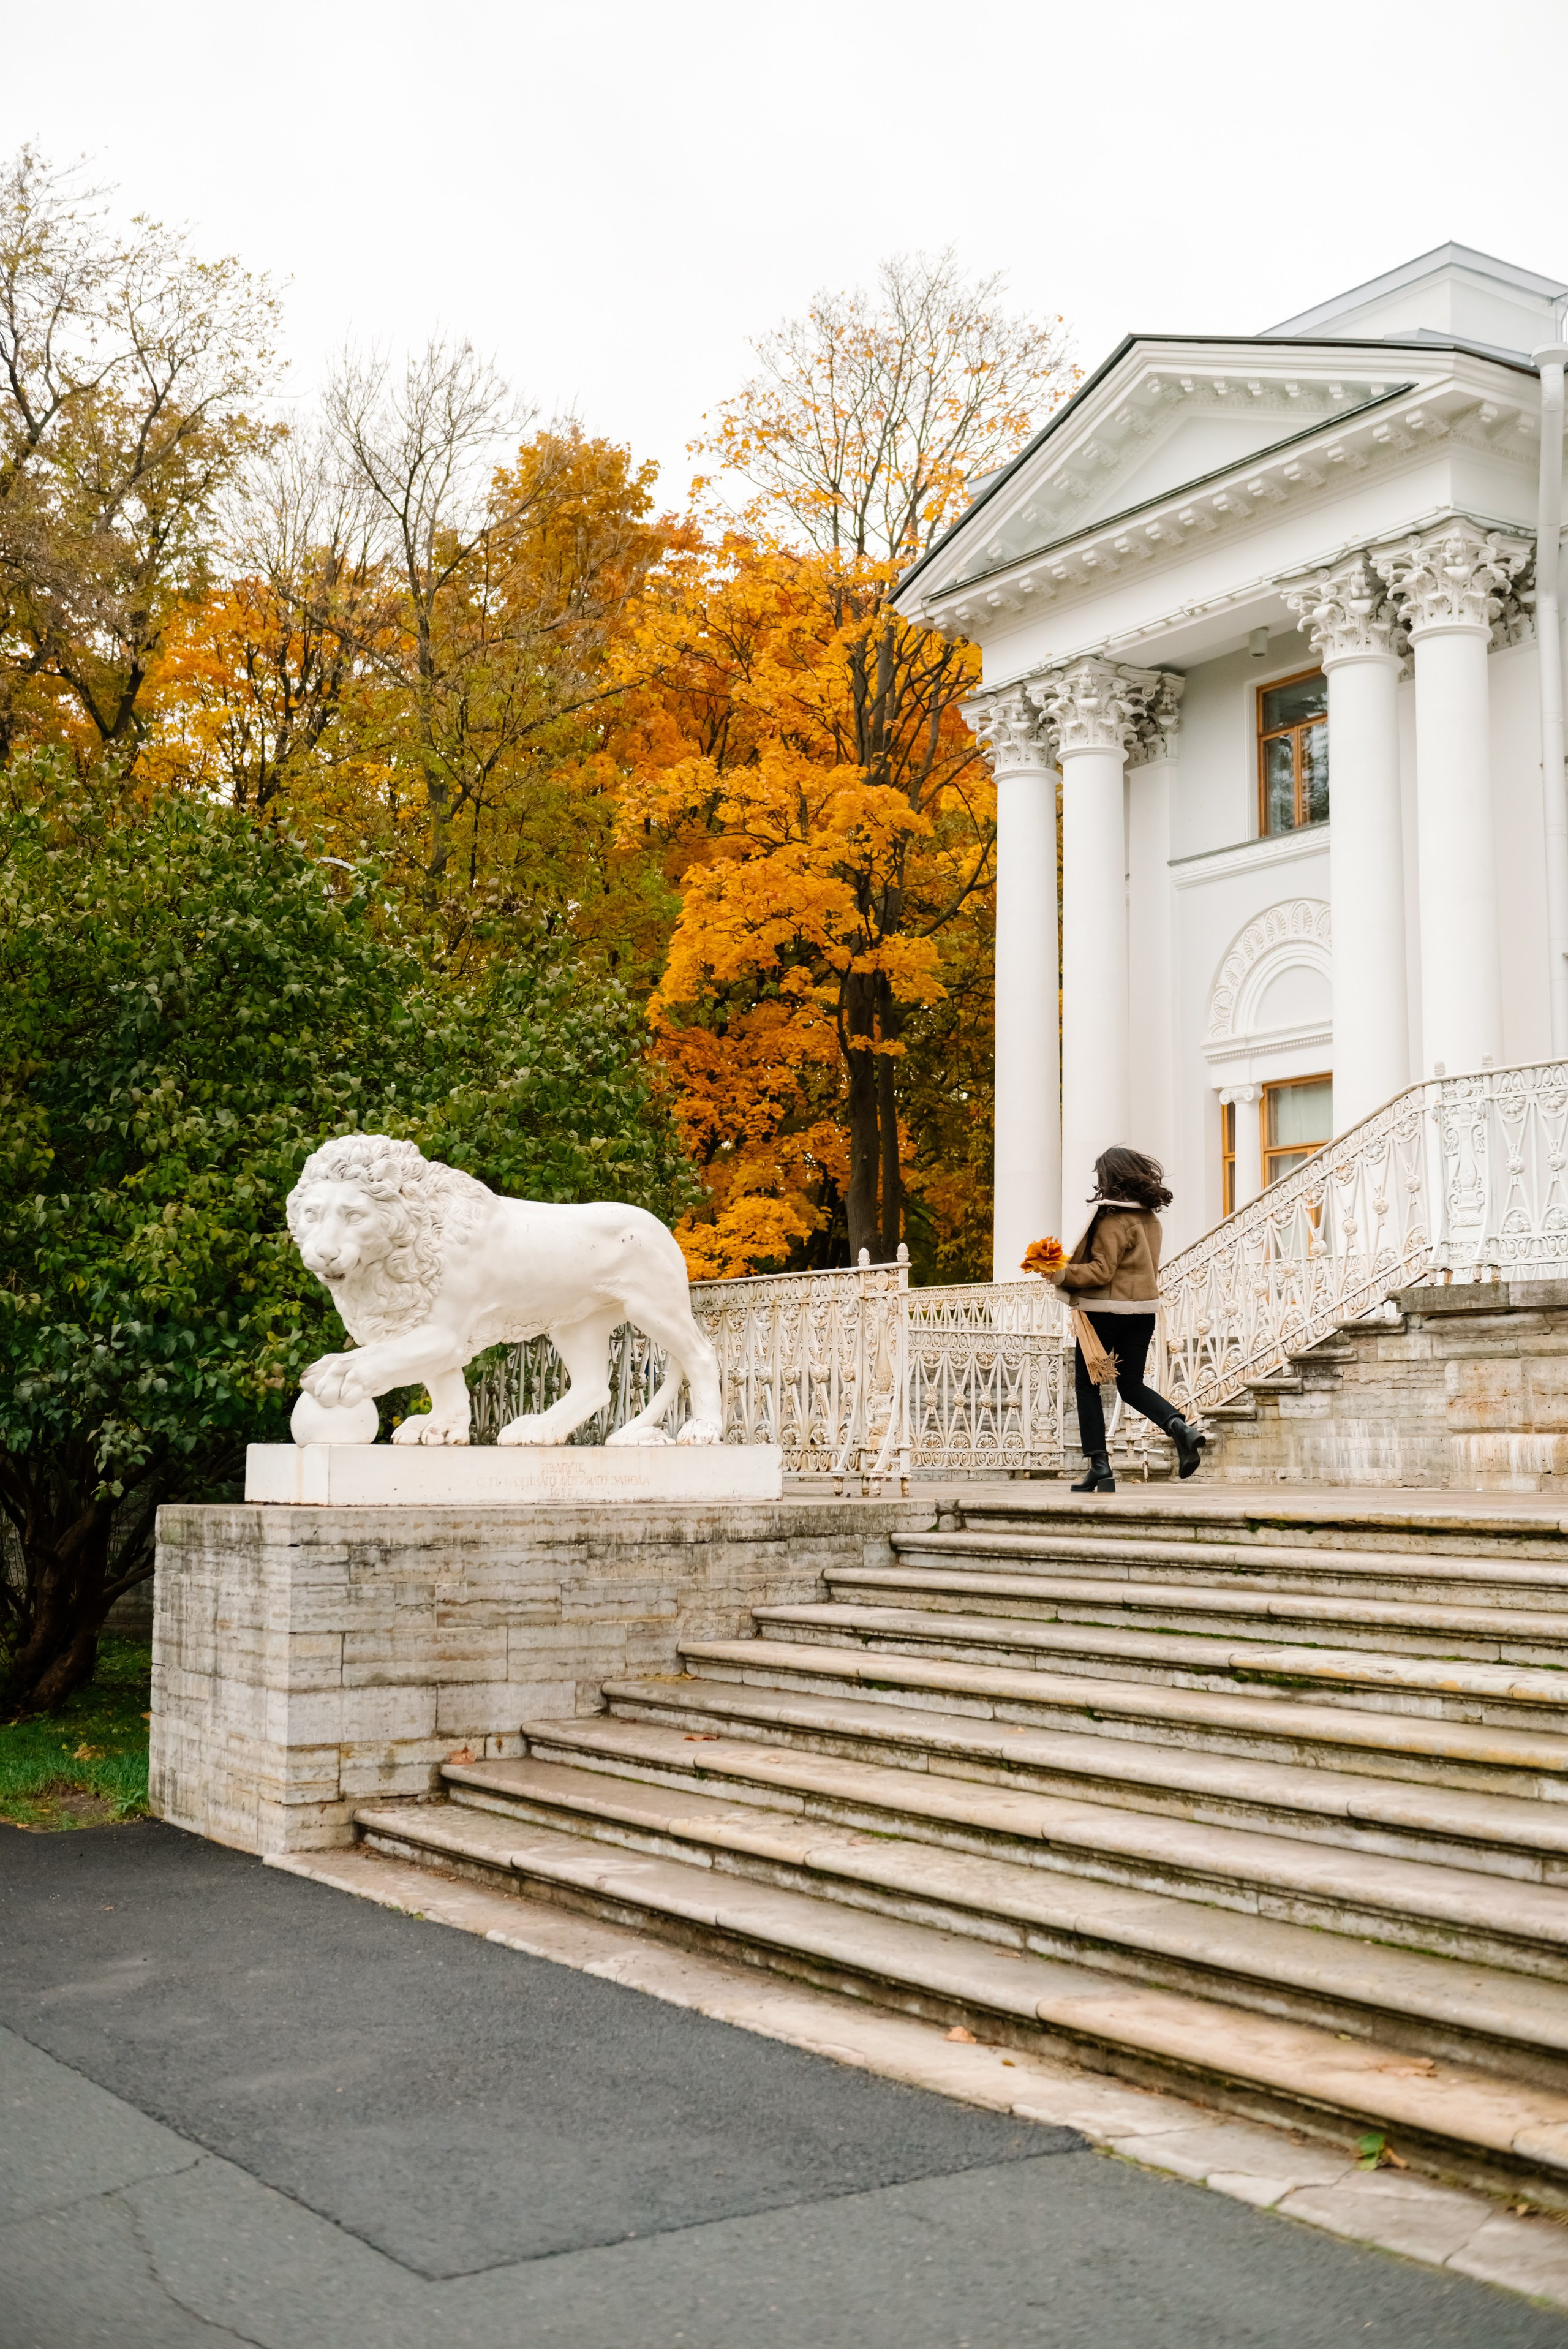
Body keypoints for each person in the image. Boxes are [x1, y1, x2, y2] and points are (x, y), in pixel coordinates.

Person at [1043, 1145, 1207, 1493]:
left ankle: (1100, 1466)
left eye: (1101, 1175)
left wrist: (1058, 1273)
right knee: (1131, 1385)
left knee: (1087, 1388)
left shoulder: (1113, 1219)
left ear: (1111, 1177)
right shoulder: (1150, 1219)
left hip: (1106, 1313)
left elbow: (1102, 1272)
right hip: (1143, 1311)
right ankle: (1180, 1428)